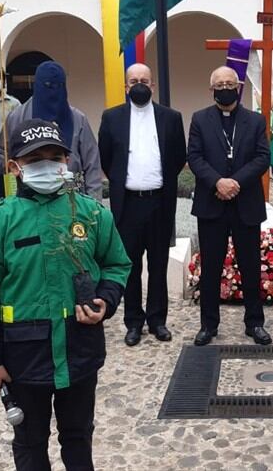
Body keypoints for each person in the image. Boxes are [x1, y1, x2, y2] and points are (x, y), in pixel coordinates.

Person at [0, 119, 131, 470]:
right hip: (23, 357)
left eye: (55, 156)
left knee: (78, 437)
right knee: (29, 443)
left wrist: (106, 300)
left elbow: (117, 264)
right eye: (35, 159)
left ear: (66, 163)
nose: (47, 164)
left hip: (80, 351)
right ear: (14, 168)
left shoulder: (90, 214)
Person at [98, 63, 187, 347]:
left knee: (158, 264)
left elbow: (178, 158)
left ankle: (157, 320)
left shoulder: (171, 118)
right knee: (130, 266)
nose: (139, 84)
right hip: (128, 204)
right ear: (126, 86)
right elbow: (106, 158)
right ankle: (133, 322)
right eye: (133, 80)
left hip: (159, 201)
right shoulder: (111, 118)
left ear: (153, 86)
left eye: (144, 80)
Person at [187, 66, 272, 346]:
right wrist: (217, 183)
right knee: (211, 267)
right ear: (211, 90)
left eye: (229, 82)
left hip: (245, 202)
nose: (225, 87)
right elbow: (195, 157)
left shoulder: (255, 120)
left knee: (250, 266)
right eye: (219, 84)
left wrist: (234, 182)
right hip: (212, 204)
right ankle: (208, 326)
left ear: (238, 86)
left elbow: (262, 157)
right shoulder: (200, 119)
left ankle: (254, 323)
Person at [0, 61, 104, 199]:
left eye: (58, 86)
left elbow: (92, 165)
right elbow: (4, 158)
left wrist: (94, 204)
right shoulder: (17, 117)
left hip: (71, 196)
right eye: (47, 86)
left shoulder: (78, 119)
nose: (52, 92)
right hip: (30, 198)